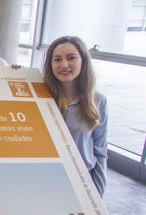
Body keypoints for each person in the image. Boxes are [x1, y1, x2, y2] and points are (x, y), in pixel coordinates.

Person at [43, 36, 108, 196]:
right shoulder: (39, 96)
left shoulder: (98, 101)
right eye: (57, 59)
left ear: (83, 61)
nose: (64, 65)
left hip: (83, 180)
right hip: (47, 179)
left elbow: (100, 150)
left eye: (71, 58)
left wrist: (98, 192)